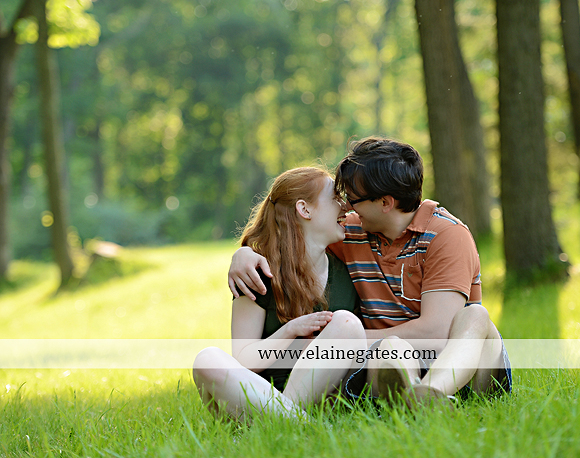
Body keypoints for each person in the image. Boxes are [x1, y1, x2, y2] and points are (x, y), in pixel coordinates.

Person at [229, 137, 511, 404]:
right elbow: (297, 238)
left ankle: (433, 391)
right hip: (388, 358)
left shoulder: (446, 236)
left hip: (460, 359)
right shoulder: (351, 232)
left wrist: (337, 341)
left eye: (353, 199)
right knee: (391, 348)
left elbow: (436, 333)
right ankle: (418, 400)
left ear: (385, 203)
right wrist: (245, 254)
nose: (346, 207)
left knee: (475, 315)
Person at [193, 167, 366, 421]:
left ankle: (286, 421)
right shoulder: (257, 274)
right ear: (304, 209)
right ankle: (294, 421)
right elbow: (244, 360)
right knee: (207, 359)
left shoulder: (346, 272)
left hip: (319, 403)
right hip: (255, 401)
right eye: (334, 198)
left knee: (348, 324)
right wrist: (290, 330)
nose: (345, 206)